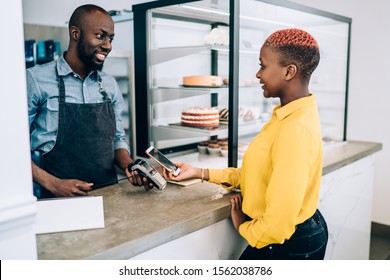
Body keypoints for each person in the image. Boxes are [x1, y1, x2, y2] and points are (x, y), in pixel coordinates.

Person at [164, 28, 328, 260]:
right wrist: (199, 172)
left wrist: (244, 227)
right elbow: (259, 175)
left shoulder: (295, 129)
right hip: (296, 237)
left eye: (263, 65)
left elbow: (277, 226)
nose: (258, 74)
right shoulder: (288, 115)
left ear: (289, 71)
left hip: (289, 245)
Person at [27, 4, 153, 198]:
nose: (108, 46)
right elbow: (11, 146)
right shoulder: (36, 80)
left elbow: (118, 140)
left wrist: (130, 165)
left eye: (110, 39)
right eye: (100, 36)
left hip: (109, 196)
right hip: (58, 199)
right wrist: (52, 183)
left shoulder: (109, 84)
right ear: (75, 33)